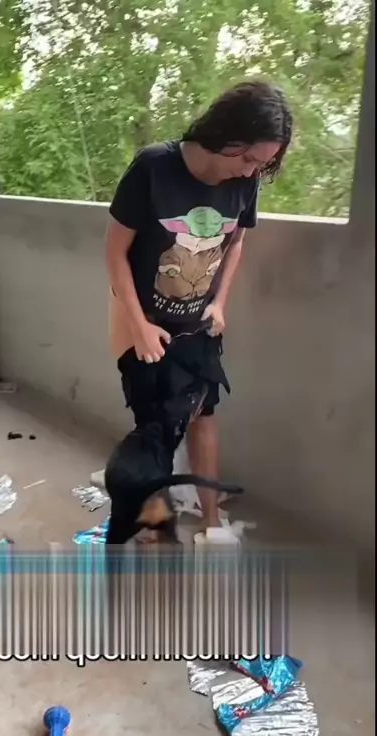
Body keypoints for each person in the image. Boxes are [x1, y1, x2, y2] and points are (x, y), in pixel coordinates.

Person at [105, 80, 293, 535]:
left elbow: (236, 242)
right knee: (156, 429)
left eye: (262, 165)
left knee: (204, 415)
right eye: (248, 159)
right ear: (226, 133)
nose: (251, 172)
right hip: (145, 325)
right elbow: (114, 253)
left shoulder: (246, 183)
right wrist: (139, 326)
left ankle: (212, 521)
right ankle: (150, 528)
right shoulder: (154, 167)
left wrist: (220, 303)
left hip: (198, 325)